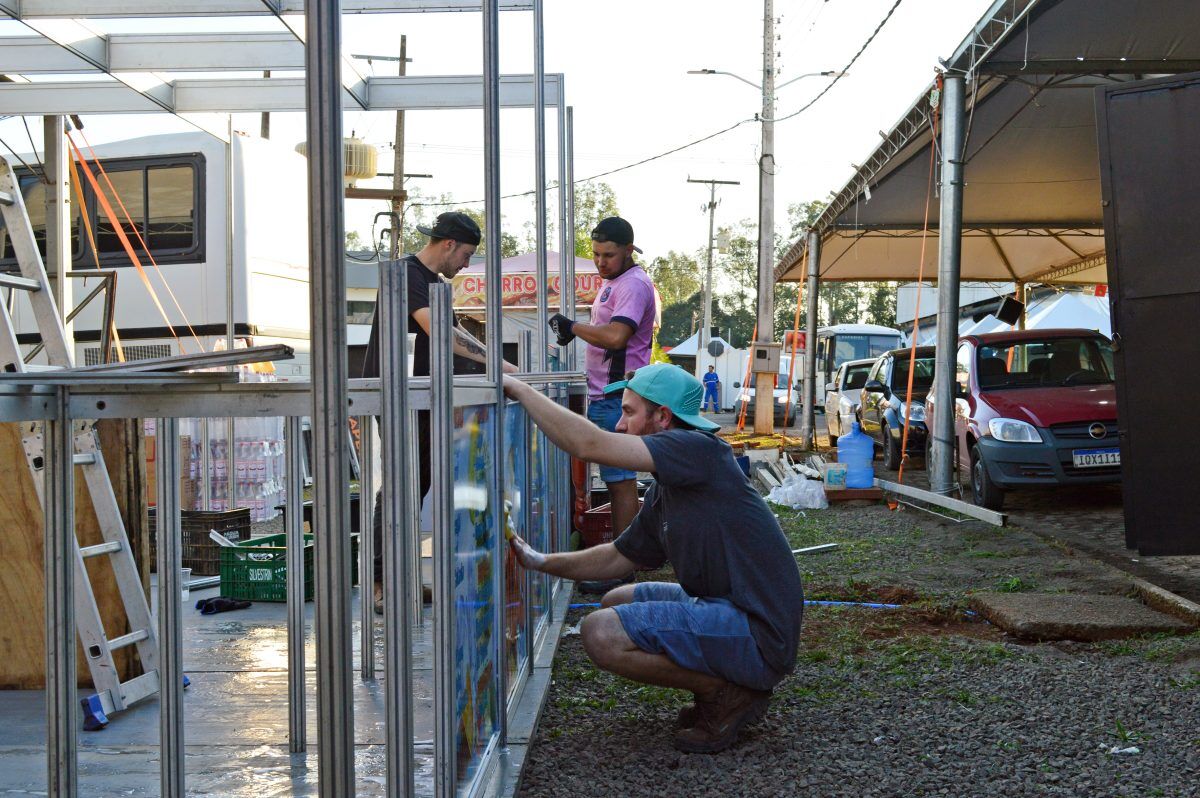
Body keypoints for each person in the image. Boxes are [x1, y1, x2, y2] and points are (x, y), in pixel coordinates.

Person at [502, 363, 804, 753]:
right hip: (732, 613)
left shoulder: (699, 450)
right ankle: (723, 684)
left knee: (601, 632)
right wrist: (541, 561)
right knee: (615, 600)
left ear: (663, 417)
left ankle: (724, 691)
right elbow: (616, 558)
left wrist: (518, 388)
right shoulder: (669, 486)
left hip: (759, 634)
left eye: (629, 412)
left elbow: (589, 445)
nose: (620, 426)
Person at [361, 211, 516, 613]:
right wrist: (499, 365)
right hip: (400, 395)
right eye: (465, 254)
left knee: (417, 486)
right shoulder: (407, 274)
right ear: (448, 244)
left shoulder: (434, 283)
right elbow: (439, 332)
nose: (466, 264)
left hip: (423, 397)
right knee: (401, 487)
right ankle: (381, 582)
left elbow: (452, 333)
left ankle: (402, 577)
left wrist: (493, 362)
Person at [547, 216, 657, 589]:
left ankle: (622, 570)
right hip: (605, 396)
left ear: (629, 250)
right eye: (595, 254)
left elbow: (615, 336)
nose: (600, 262)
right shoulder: (613, 283)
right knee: (615, 482)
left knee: (621, 483)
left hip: (619, 397)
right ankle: (627, 561)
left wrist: (573, 327)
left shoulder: (634, 285)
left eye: (608, 254)